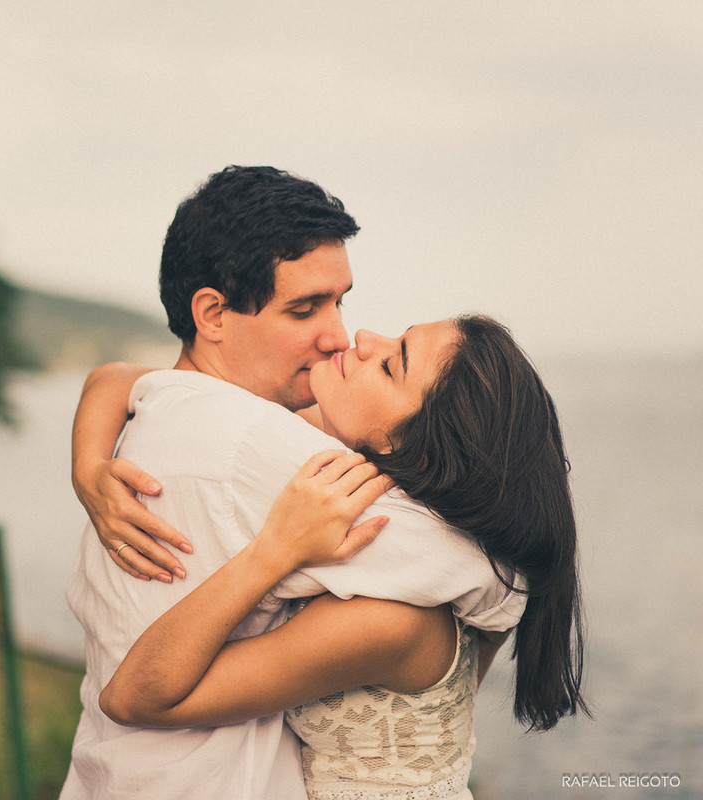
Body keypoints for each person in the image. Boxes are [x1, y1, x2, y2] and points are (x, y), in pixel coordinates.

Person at [59, 166, 532, 800]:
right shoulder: (265, 447)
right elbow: (492, 571)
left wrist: (89, 458)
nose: (341, 336)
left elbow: (115, 377)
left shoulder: (165, 411)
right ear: (213, 314)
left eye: (339, 300)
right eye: (305, 308)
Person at [87, 316, 588, 800]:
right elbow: (122, 379)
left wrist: (275, 551)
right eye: (398, 337)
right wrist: (89, 471)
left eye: (393, 366)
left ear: (419, 456)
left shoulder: (388, 620)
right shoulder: (450, 563)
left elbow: (133, 697)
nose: (366, 337)